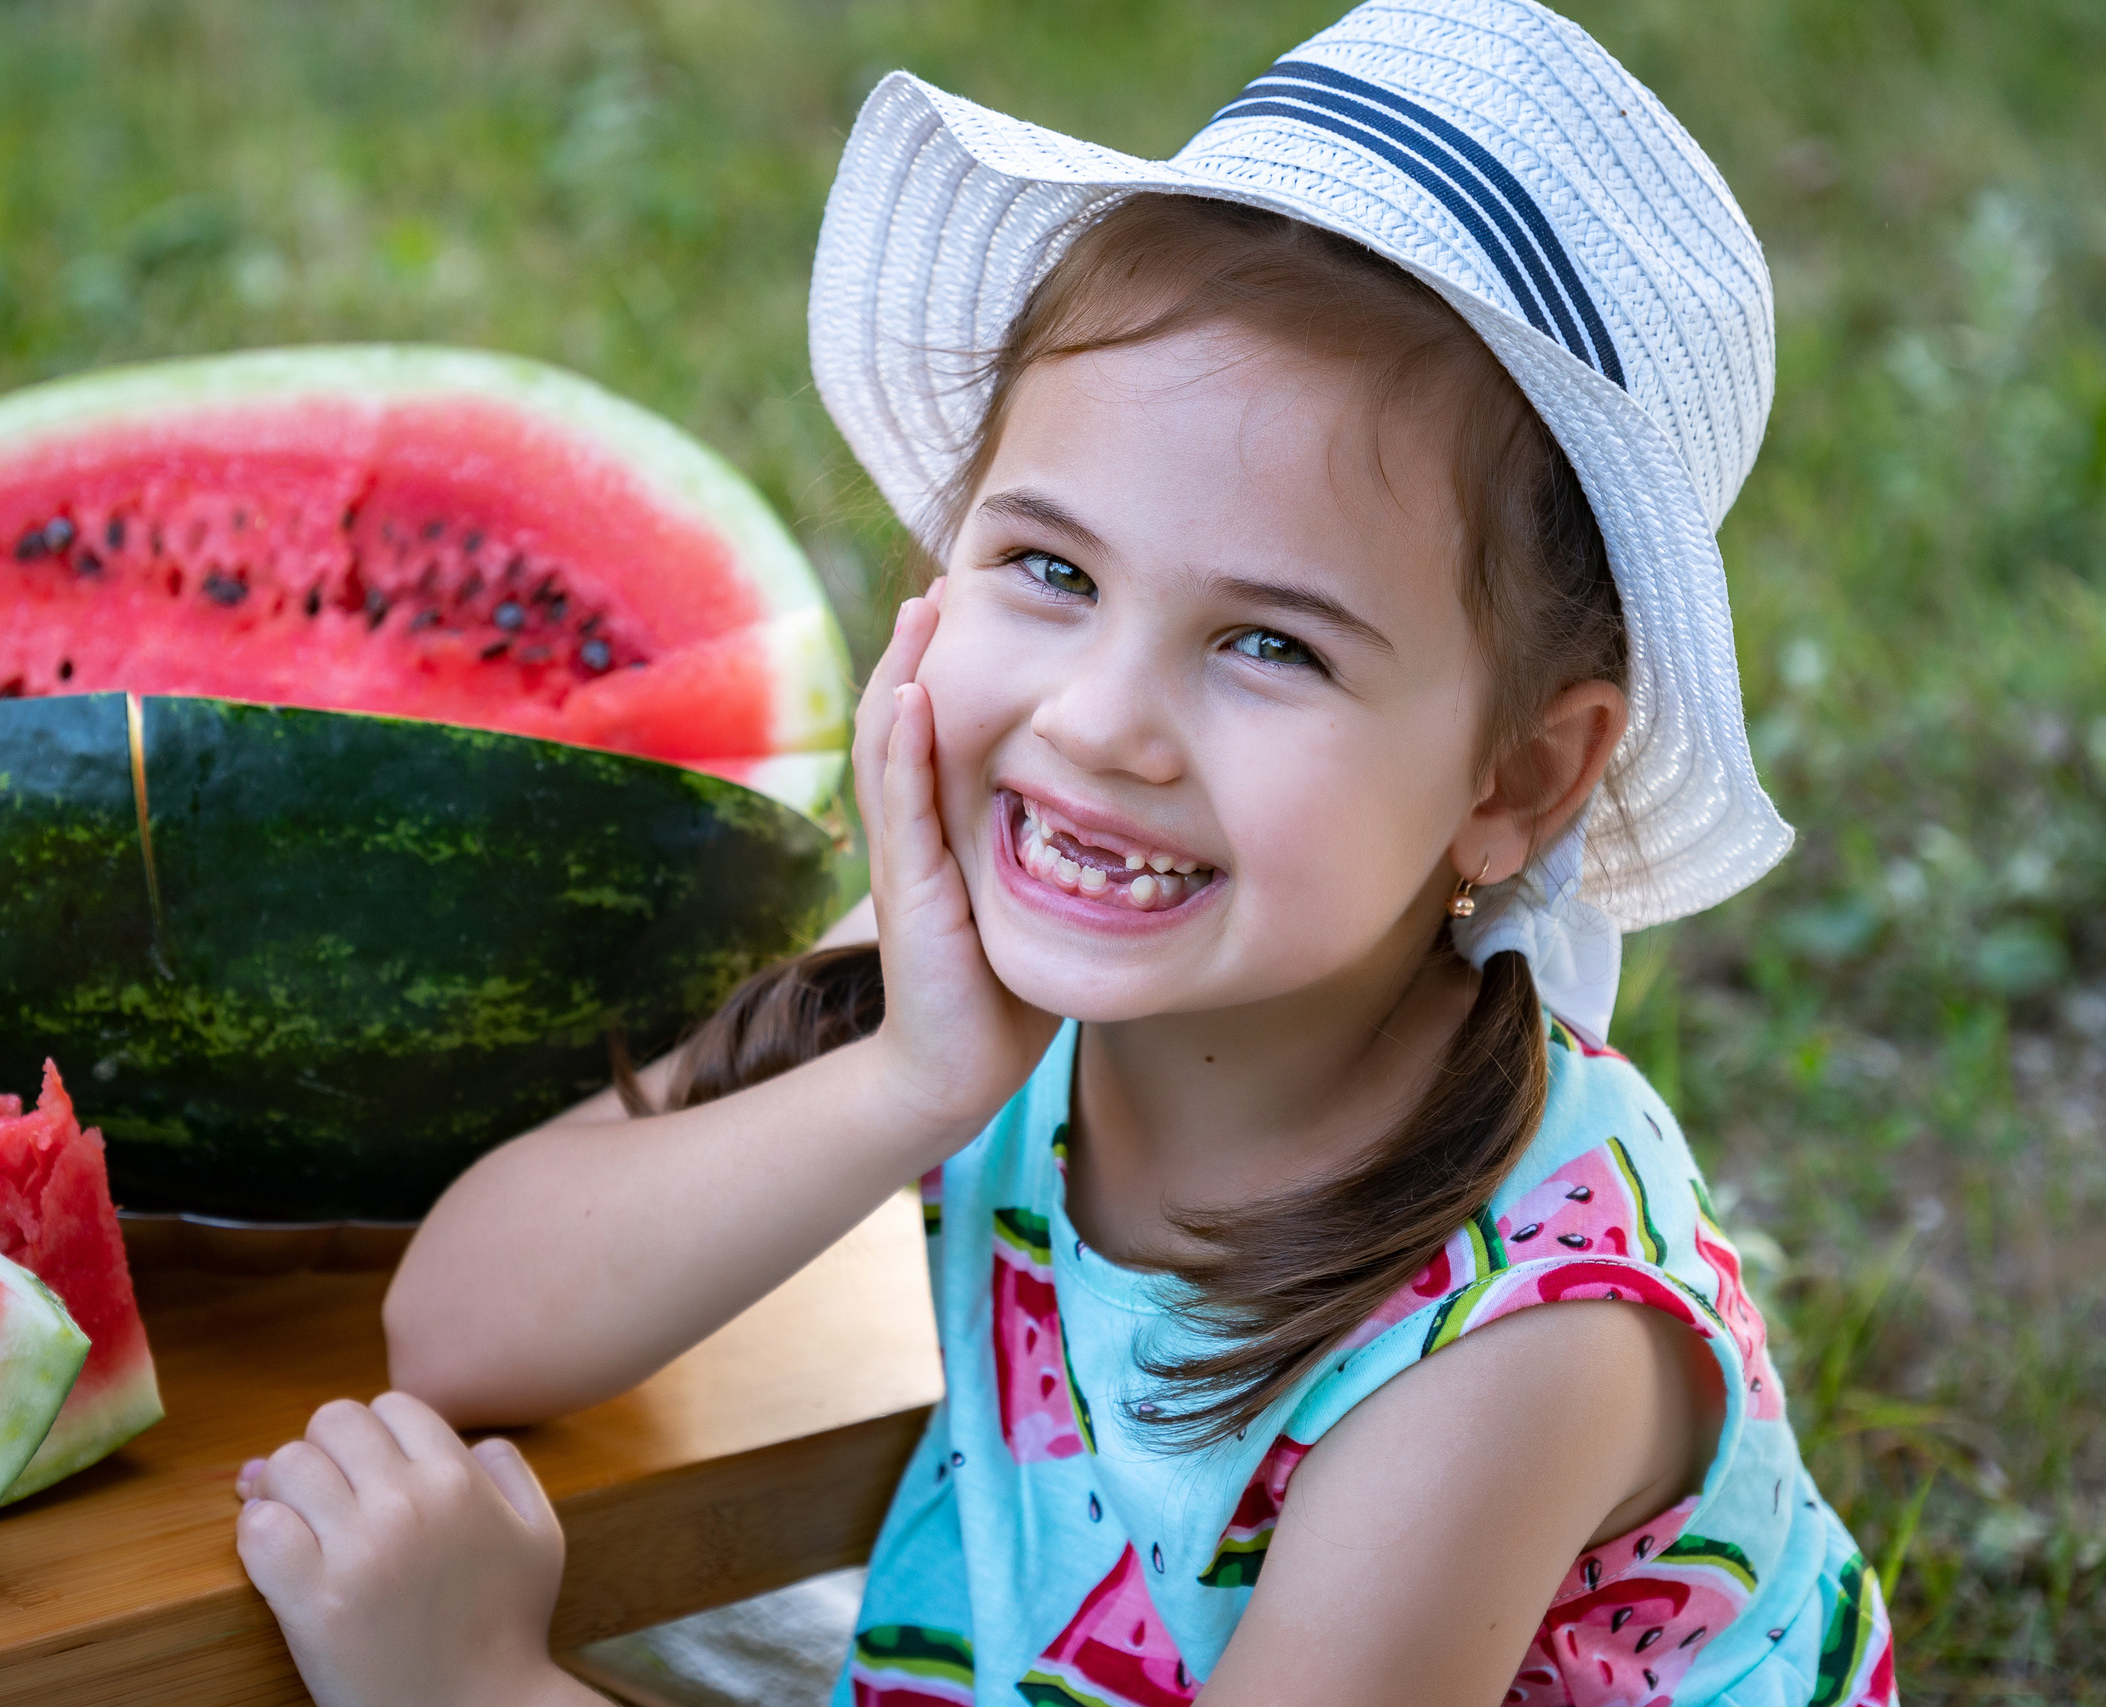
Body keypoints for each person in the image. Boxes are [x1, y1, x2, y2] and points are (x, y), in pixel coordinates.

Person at [232, 2, 1901, 1702]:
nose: (1102, 723)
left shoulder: (1508, 1348)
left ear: (1518, 778)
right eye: (1052, 571)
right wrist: (912, 1074)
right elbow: (460, 1327)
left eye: (1273, 646)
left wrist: (482, 1686)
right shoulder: (993, 973)